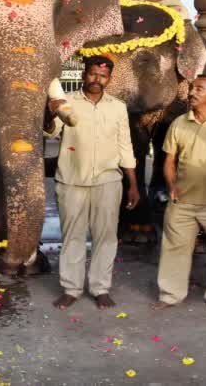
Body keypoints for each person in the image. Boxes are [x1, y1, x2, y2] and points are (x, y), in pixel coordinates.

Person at [45, 56, 139, 310]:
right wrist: (50, 112)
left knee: (106, 237)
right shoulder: (67, 102)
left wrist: (132, 184)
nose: (97, 80)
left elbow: (125, 146)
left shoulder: (117, 107)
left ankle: (100, 288)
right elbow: (50, 132)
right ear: (84, 74)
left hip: (108, 181)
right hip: (71, 180)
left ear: (109, 79)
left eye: (103, 76)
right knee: (73, 236)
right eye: (92, 74)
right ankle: (71, 289)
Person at [153, 76, 206, 311]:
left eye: (199, 89)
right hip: (183, 200)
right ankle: (171, 294)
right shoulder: (179, 123)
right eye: (192, 88)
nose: (192, 92)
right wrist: (171, 186)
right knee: (174, 248)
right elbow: (169, 160)